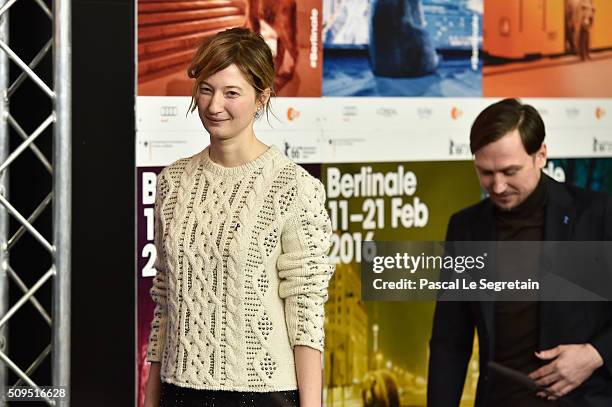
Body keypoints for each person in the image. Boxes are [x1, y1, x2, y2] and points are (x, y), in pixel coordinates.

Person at [143, 27, 335, 407]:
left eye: (232, 93)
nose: (215, 105)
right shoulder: (172, 183)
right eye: (206, 88)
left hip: (263, 395)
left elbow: (306, 311)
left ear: (261, 98)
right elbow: (164, 299)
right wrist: (151, 396)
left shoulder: (294, 187)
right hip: (179, 392)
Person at [427, 98, 612, 407]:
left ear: (541, 155)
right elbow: (450, 342)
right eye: (485, 172)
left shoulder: (598, 215)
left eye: (510, 171)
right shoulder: (465, 228)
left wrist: (596, 354)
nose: (497, 186)